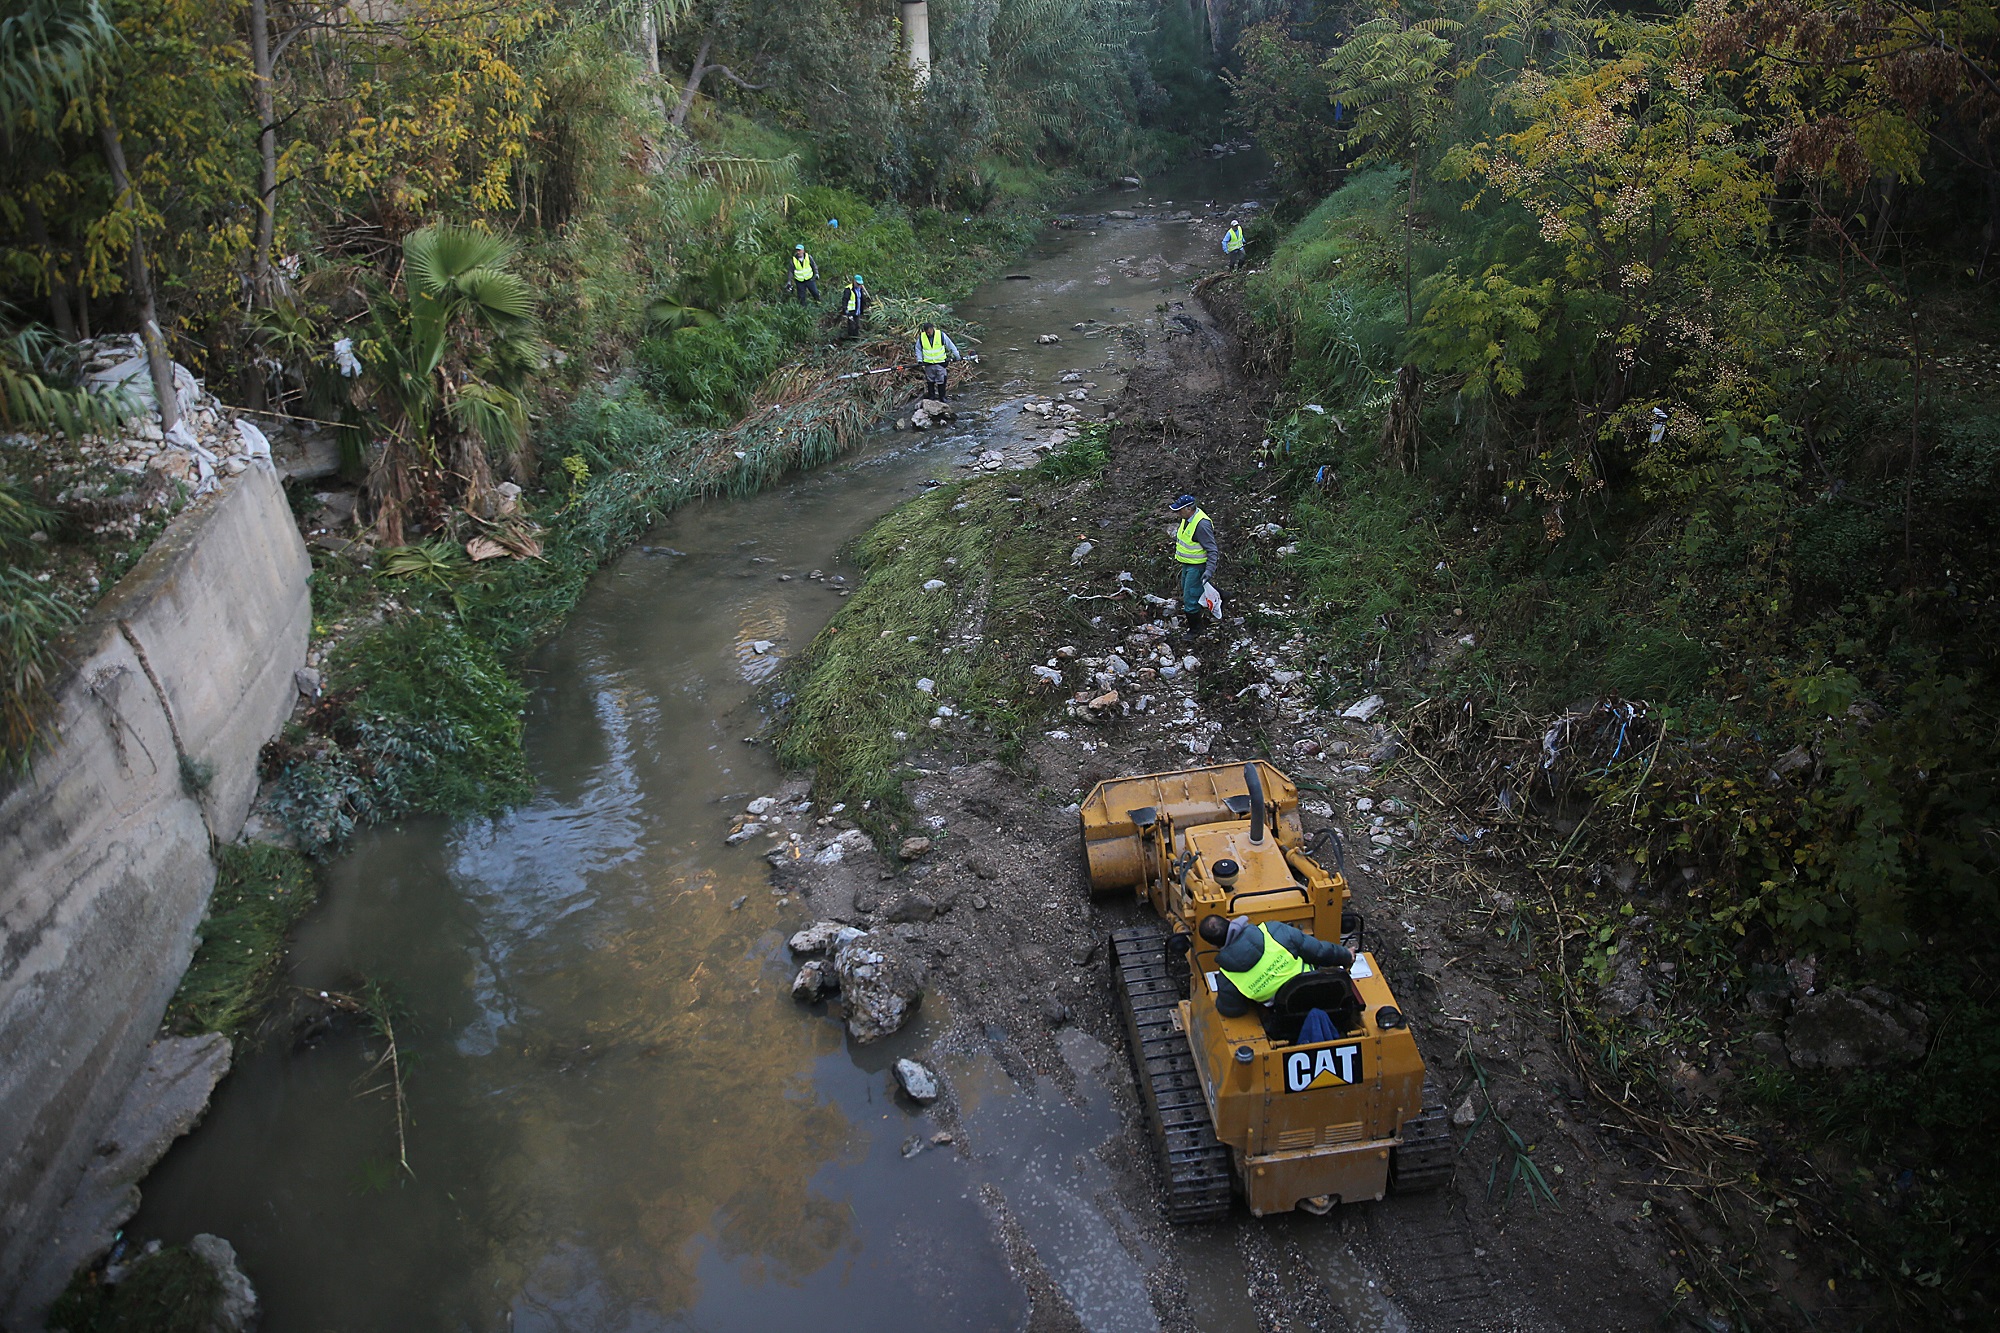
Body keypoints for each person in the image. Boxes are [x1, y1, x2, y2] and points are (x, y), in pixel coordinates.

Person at [1198, 914, 1354, 1018]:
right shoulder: (1274, 931)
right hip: (1325, 994)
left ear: (1212, 944)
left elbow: (1232, 1010)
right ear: (1230, 921)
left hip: (1286, 1017)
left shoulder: (1228, 979)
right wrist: (1346, 956)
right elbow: (1319, 952)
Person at [1167, 493, 1218, 631]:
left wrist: (1208, 571)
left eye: (1180, 510)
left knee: (1190, 598)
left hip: (1197, 567)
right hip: (1188, 564)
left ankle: (1196, 629)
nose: (1177, 513)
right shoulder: (1188, 518)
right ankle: (1221, 595)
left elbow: (1212, 550)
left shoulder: (1201, 525)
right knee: (1187, 589)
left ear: (1189, 509)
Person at [914, 322, 962, 398]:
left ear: (932, 329)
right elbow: (918, 349)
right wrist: (919, 360)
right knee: (930, 381)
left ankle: (942, 397)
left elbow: (950, 345)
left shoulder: (941, 335)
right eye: (927, 333)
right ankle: (931, 397)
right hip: (928, 364)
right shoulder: (922, 337)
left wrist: (957, 355)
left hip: (940, 363)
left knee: (942, 381)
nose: (928, 334)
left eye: (929, 332)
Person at [843, 274, 870, 339]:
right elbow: (845, 300)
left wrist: (866, 305)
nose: (859, 285)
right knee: (852, 326)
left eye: (860, 284)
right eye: (858, 284)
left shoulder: (860, 289)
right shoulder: (848, 289)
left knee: (857, 326)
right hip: (850, 311)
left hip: (857, 311)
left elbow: (862, 299)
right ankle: (851, 339)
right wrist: (845, 309)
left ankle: (855, 340)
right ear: (854, 281)